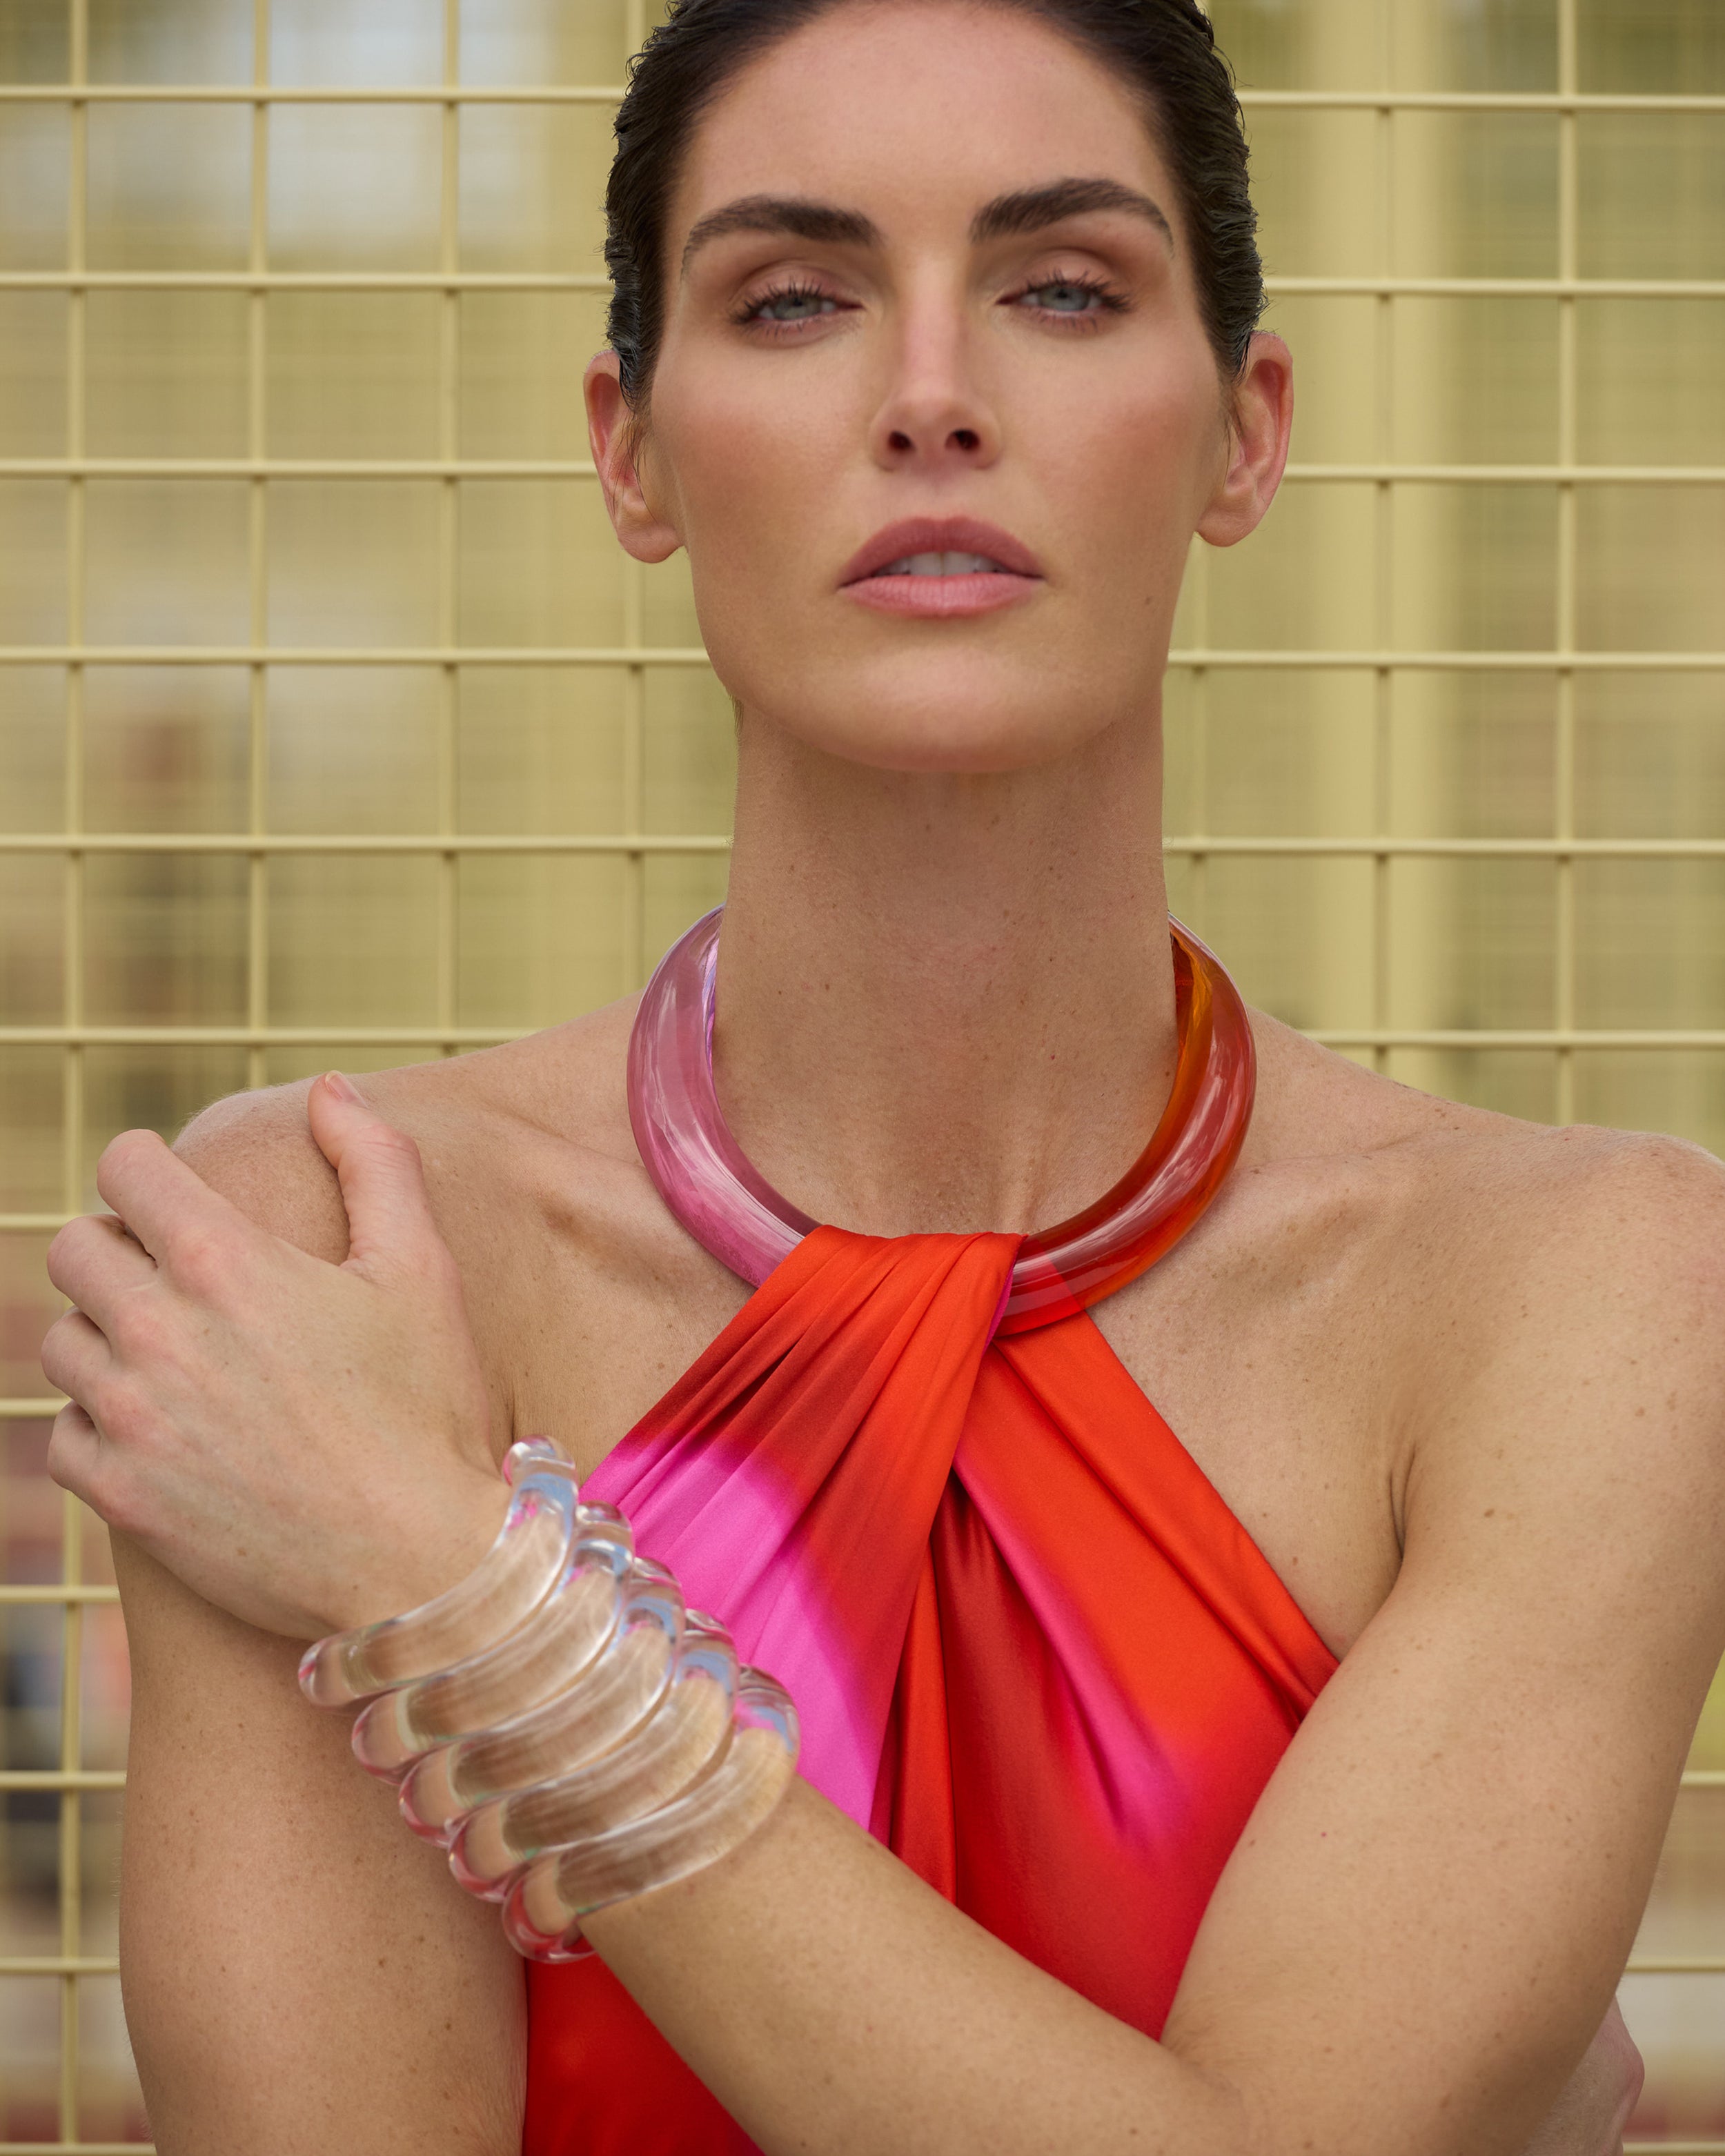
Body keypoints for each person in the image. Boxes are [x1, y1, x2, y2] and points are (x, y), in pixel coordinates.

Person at [37, 2, 1723, 2151]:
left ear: (1244, 434)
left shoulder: (1585, 1291)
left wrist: (440, 1581)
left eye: (1058, 289)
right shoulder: (326, 1249)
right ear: (630, 447)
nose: (931, 399)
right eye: (796, 298)